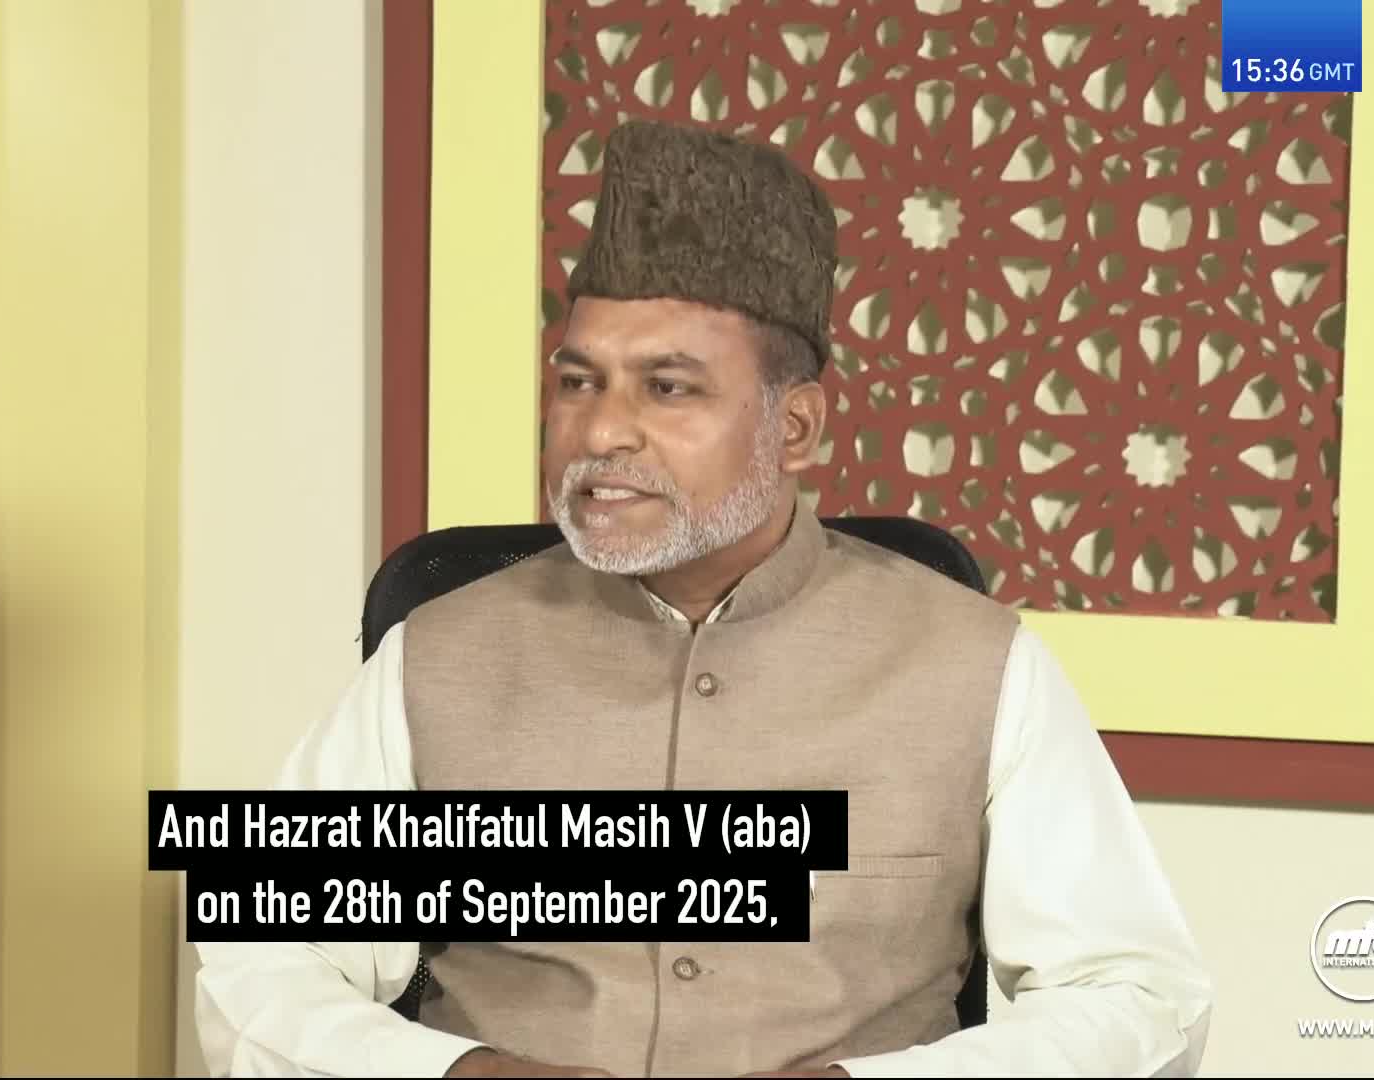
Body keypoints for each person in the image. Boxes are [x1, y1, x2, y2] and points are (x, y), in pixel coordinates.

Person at [193, 119, 1213, 1078]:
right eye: (578, 382)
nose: (601, 433)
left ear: (796, 428)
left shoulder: (975, 665)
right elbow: (260, 962)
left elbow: (1136, 992)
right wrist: (458, 1072)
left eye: (668, 387)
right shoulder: (436, 654)